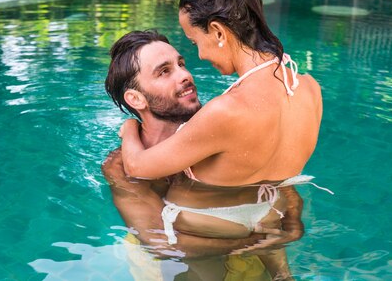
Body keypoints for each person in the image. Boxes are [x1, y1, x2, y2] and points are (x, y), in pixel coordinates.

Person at [119, 0, 331, 257]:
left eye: (195, 42)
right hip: (271, 217)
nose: (200, 57)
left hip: (209, 230)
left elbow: (138, 167)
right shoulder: (311, 89)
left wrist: (129, 128)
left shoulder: (226, 111)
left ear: (218, 32)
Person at [103, 30, 305, 281]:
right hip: (173, 263)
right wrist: (254, 240)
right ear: (136, 98)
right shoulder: (121, 165)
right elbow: (160, 242)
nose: (186, 75)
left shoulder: (216, 131)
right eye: (164, 71)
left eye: (181, 64)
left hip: (242, 245)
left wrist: (293, 222)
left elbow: (277, 180)